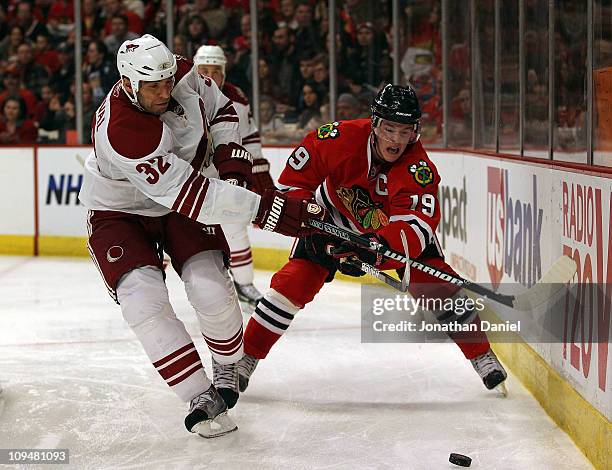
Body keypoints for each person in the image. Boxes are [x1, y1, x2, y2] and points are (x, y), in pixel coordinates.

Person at [78, 34, 325, 438]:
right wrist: (268, 209)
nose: (163, 91)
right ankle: (197, 394)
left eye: (166, 81)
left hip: (185, 194)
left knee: (210, 288)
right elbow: (192, 197)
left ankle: (227, 364)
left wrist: (231, 156)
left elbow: (223, 108)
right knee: (143, 301)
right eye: (152, 87)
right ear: (127, 83)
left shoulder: (180, 72)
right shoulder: (123, 129)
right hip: (120, 211)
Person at [236, 84, 508, 395]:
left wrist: (374, 253)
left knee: (437, 285)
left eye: (405, 131)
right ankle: (245, 359)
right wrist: (311, 223)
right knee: (292, 284)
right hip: (330, 220)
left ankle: (482, 354)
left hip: (386, 239)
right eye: (389, 128)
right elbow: (292, 185)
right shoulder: (338, 138)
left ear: (415, 131)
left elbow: (416, 228)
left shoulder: (420, 169)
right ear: (375, 123)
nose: (396, 139)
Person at [193, 44, 276, 311]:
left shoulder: (236, 99)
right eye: (203, 71)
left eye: (214, 72)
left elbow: (249, 135)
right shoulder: (179, 96)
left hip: (224, 173)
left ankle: (244, 284)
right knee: (174, 229)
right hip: (187, 174)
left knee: (235, 228)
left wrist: (259, 169)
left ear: (224, 73)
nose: (208, 77)